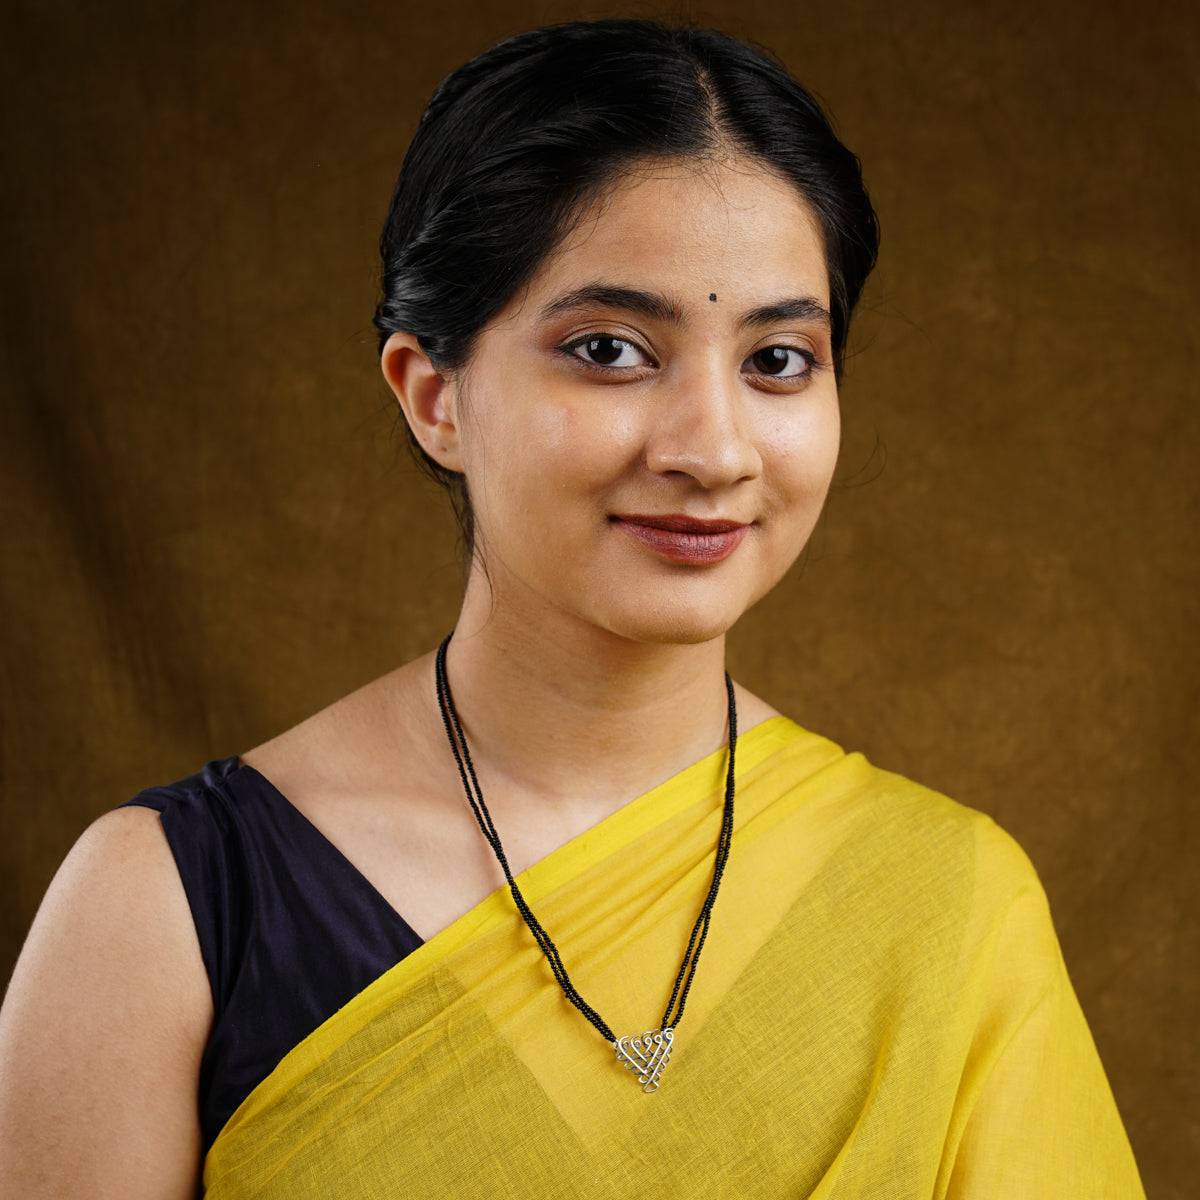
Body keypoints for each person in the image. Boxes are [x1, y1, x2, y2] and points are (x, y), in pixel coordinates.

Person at [0, 16, 1145, 1198]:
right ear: (435, 395)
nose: (714, 449)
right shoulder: (168, 911)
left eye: (778, 360)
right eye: (609, 348)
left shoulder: (947, 902)